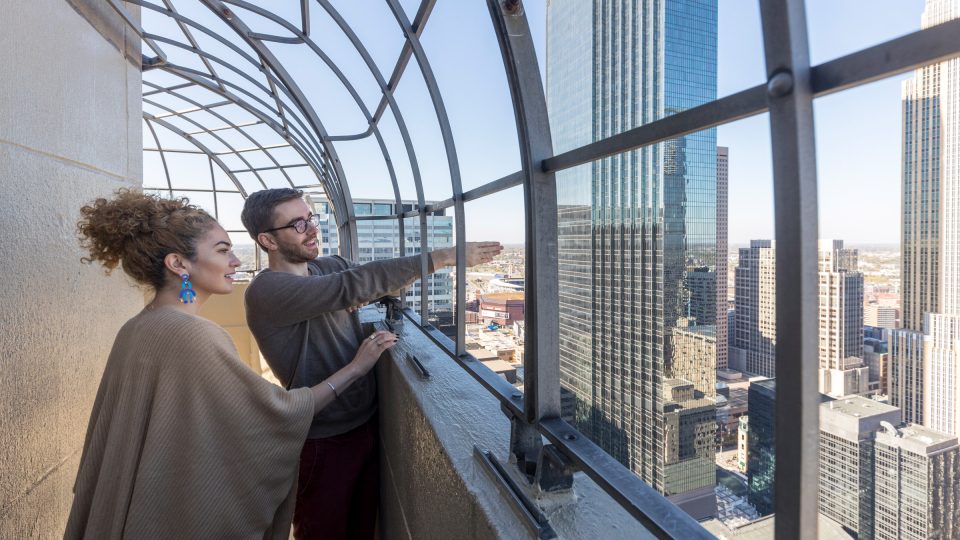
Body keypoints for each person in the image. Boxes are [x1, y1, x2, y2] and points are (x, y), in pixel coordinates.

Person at [65, 189, 397, 539]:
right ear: (179, 264)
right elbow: (278, 412)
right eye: (223, 251)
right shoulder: (192, 335)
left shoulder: (138, 327)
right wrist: (358, 366)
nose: (237, 262)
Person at [241, 189, 501, 539]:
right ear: (267, 240)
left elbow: (367, 282)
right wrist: (446, 257)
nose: (312, 229)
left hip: (364, 424)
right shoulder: (266, 290)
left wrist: (356, 293)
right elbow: (358, 282)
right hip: (322, 440)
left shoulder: (326, 268)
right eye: (298, 224)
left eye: (311, 219)